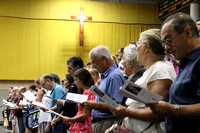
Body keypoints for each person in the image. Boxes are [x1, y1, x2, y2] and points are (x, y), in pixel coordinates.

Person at [107, 29, 176, 133]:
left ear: (146, 47)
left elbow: (158, 113)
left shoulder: (160, 69)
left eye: (138, 43)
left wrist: (126, 112)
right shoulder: (152, 68)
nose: (137, 47)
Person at [147, 13, 200, 133]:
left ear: (188, 32)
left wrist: (172, 110)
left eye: (169, 40)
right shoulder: (186, 62)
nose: (166, 48)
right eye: (164, 43)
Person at [83, 45, 125, 133]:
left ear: (103, 59)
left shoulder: (114, 76)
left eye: (94, 62)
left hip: (107, 123)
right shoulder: (106, 75)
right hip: (102, 123)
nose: (93, 66)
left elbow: (117, 105)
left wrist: (94, 105)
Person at [62, 68, 96, 133]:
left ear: (82, 80)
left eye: (76, 80)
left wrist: (70, 119)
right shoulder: (89, 91)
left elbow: (85, 115)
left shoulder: (87, 92)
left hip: (84, 127)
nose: (75, 82)